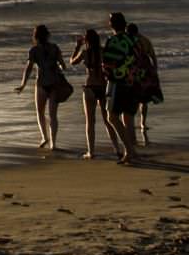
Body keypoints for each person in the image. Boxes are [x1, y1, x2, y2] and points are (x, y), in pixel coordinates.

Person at [15, 24, 70, 150]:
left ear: (35, 36)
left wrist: (23, 84)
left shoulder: (33, 50)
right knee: (53, 115)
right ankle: (53, 144)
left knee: (40, 112)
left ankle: (44, 137)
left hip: (41, 84)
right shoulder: (55, 48)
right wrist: (59, 67)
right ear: (47, 35)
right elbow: (63, 65)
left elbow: (28, 69)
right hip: (54, 83)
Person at [100, 12, 143, 164]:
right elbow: (139, 59)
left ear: (112, 24)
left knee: (112, 117)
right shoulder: (133, 39)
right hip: (133, 82)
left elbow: (106, 64)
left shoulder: (112, 40)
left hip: (118, 83)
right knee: (128, 118)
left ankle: (129, 150)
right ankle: (132, 151)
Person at [70, 28, 113, 158]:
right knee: (108, 120)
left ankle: (91, 151)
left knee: (90, 122)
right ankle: (117, 148)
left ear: (86, 40)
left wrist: (77, 47)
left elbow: (72, 62)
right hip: (103, 87)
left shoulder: (85, 52)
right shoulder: (104, 51)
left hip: (90, 87)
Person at [128, 22, 163, 145]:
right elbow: (152, 56)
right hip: (146, 70)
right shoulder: (145, 40)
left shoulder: (128, 41)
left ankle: (131, 123)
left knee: (134, 98)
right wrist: (155, 69)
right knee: (144, 99)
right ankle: (142, 123)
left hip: (134, 71)